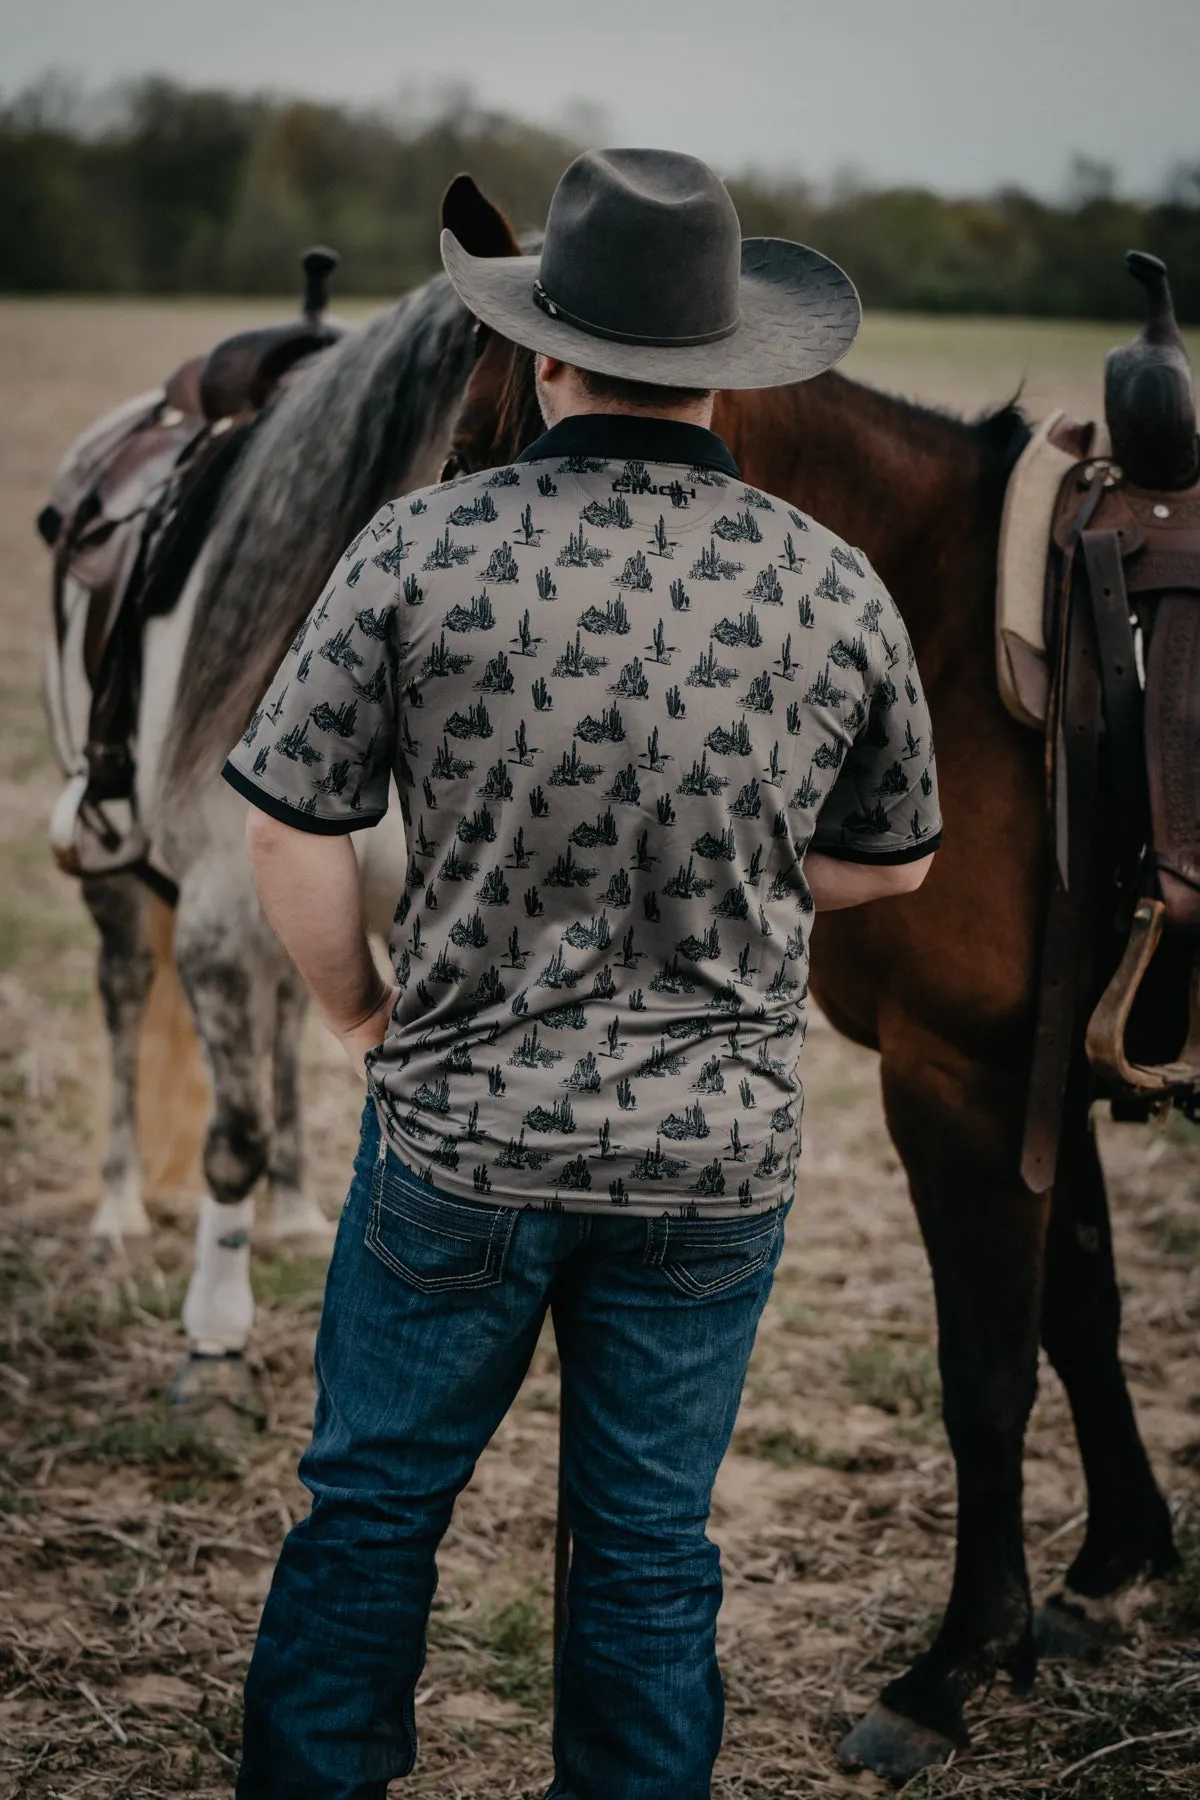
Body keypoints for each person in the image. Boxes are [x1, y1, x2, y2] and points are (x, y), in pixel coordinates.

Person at [224, 147, 941, 1800]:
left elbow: (289, 831)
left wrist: (360, 1015)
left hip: (458, 1141)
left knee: (374, 1516)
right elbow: (896, 859)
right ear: (728, 370)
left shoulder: (416, 551)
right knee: (644, 1550)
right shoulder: (834, 588)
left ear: (545, 353)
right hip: (712, 1169)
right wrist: (743, 868)